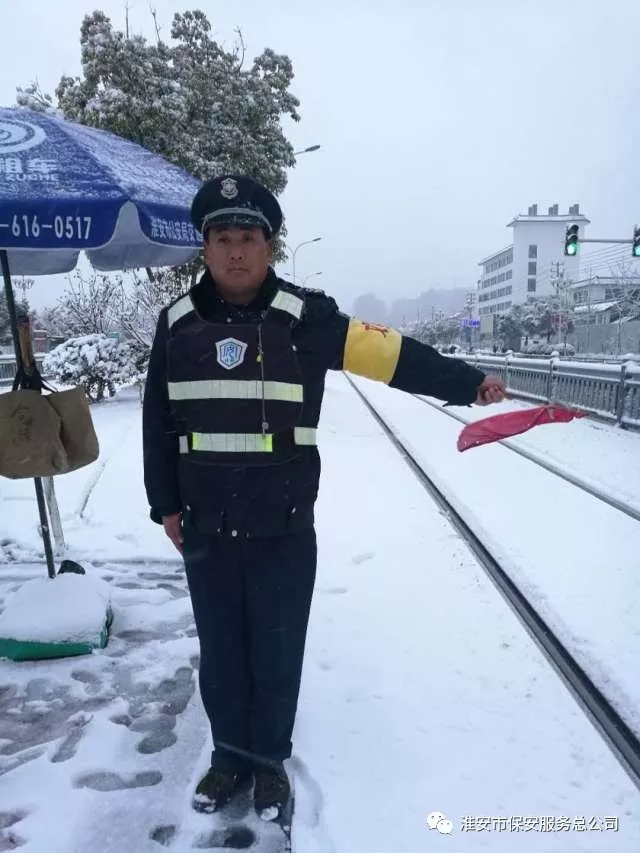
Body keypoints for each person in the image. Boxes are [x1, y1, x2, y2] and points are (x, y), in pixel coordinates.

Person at [142, 175, 506, 821]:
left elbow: (392, 356)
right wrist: (165, 504)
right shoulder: (176, 325)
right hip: (205, 524)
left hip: (282, 522)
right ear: (205, 247)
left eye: (248, 237)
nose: (235, 251)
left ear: (269, 247)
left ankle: (268, 763)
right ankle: (228, 757)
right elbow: (157, 422)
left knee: (277, 651)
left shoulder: (307, 318)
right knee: (222, 653)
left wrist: (465, 381)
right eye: (222, 238)